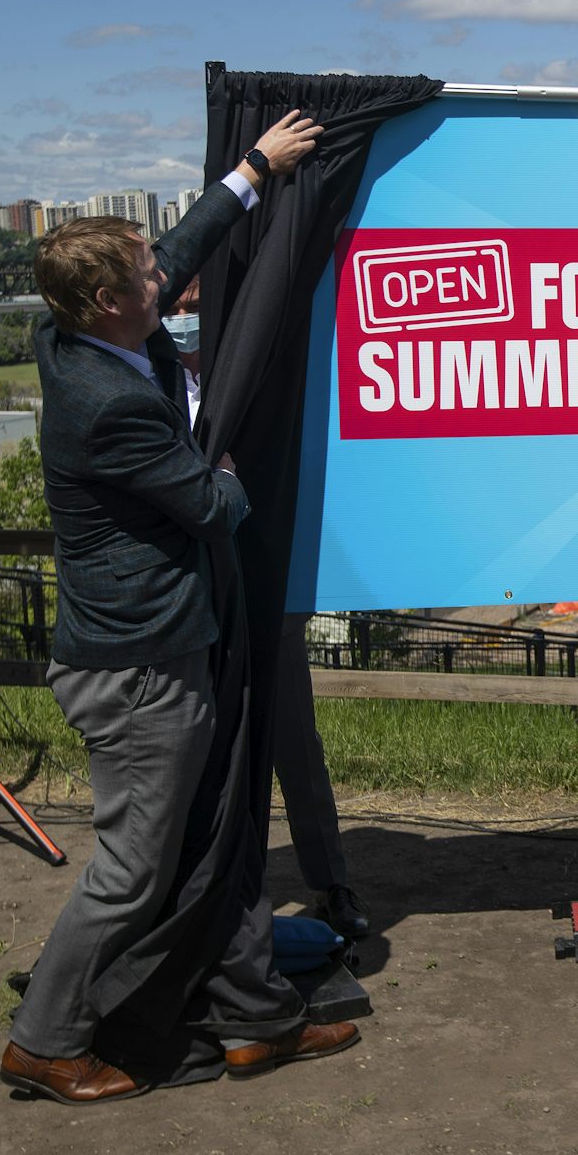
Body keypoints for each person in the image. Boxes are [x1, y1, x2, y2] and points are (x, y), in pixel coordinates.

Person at [3, 110, 361, 1103]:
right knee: (133, 869)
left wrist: (255, 169)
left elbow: (175, 248)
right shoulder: (106, 403)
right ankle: (46, 1038)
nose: (174, 277)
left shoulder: (83, 325)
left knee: (210, 833)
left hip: (167, 650)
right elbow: (210, 501)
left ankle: (251, 1010)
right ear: (115, 302)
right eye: (152, 277)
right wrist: (236, 450)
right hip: (138, 673)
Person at [162, 281, 370, 940]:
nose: (186, 320)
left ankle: (331, 884)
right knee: (192, 754)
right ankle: (195, 897)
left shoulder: (258, 381)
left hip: (266, 591)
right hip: (189, 601)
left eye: (199, 307)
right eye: (177, 308)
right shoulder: (150, 390)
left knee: (294, 746)